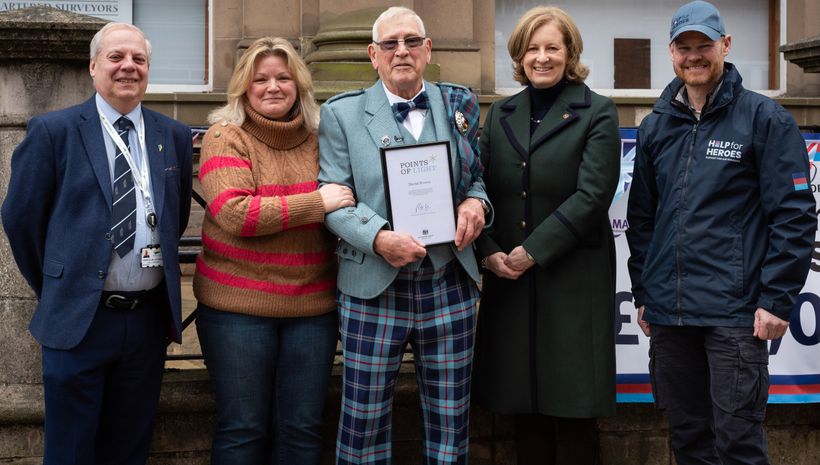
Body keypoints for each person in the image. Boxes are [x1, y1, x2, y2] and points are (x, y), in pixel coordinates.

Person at [626, 2, 817, 464]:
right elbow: (643, 221)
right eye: (684, 47)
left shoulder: (764, 119)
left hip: (735, 314)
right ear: (671, 52)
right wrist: (645, 292)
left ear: (725, 47)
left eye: (704, 46)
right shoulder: (655, 127)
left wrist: (776, 299)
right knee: (688, 441)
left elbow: (793, 216)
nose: (694, 56)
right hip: (671, 317)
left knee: (737, 444)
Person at [1, 22, 193, 465]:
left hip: (145, 322)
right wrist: (61, 282)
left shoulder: (174, 136)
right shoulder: (54, 131)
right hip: (78, 321)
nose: (128, 67)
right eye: (116, 57)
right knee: (70, 451)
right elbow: (21, 218)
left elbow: (174, 215)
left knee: (129, 448)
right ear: (93, 66)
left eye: (139, 59)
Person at [318, 6, 491, 464]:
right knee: (363, 423)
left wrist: (476, 204)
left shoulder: (459, 104)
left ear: (427, 49)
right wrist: (377, 238)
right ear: (373, 55)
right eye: (391, 44)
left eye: (412, 41)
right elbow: (332, 197)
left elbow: (476, 180)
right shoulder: (341, 114)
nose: (402, 51)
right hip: (374, 286)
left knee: (450, 422)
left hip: (448, 280)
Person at [192, 37, 353, 465]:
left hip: (312, 308)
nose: (273, 87)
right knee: (243, 427)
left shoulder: (322, 137)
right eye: (260, 79)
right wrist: (317, 203)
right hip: (237, 309)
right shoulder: (225, 136)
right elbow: (236, 214)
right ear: (243, 87)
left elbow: (353, 196)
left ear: (299, 84)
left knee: (302, 430)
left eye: (284, 77)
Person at [470, 6, 620, 465]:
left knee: (572, 411)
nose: (541, 57)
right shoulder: (500, 114)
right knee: (523, 409)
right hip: (510, 279)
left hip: (572, 278)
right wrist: (489, 251)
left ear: (569, 52)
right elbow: (480, 189)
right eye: (532, 48)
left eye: (552, 47)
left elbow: (592, 195)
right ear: (519, 55)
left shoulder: (597, 111)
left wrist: (532, 252)